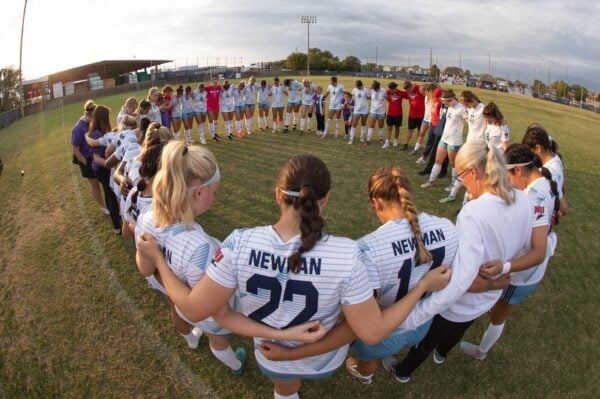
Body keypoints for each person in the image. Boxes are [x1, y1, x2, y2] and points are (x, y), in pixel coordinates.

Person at [137, 154, 451, 399]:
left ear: (277, 195)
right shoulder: (349, 254)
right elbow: (369, 332)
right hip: (325, 358)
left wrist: (159, 264)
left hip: (271, 355)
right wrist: (423, 284)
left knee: (284, 389)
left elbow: (199, 310)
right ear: (325, 199)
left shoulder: (238, 243)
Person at [258, 166, 458, 387]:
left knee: (367, 357)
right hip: (423, 322)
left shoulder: (366, 250)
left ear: (377, 203)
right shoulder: (448, 228)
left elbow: (361, 326)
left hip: (387, 333)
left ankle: (365, 374)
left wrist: (292, 354)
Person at [385, 140, 535, 383]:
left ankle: (404, 371)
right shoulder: (522, 198)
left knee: (428, 338)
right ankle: (441, 354)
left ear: (473, 172)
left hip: (460, 302)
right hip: (486, 298)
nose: (460, 181)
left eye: (459, 175)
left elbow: (460, 281)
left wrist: (413, 317)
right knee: (456, 332)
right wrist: (498, 278)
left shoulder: (474, 213)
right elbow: (525, 247)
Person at [136, 141, 247, 371]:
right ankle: (235, 365)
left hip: (180, 306)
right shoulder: (199, 248)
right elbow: (206, 306)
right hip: (204, 312)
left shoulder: (147, 219)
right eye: (213, 193)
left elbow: (145, 270)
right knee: (218, 340)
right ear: (198, 192)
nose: (214, 199)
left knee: (207, 331)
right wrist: (158, 259)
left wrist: (153, 258)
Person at [460, 144, 559, 360]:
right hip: (522, 268)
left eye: (506, 175)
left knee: (497, 316)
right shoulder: (546, 182)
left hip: (523, 275)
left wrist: (505, 266)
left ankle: (481, 351)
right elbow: (562, 208)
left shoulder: (533, 199)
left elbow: (538, 252)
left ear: (518, 171)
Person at [439, 91, 486, 203]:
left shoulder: (483, 109)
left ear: (472, 100)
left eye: (466, 103)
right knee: (463, 171)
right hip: (468, 143)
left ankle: (465, 201)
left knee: (471, 173)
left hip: (478, 147)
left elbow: (496, 121)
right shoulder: (469, 109)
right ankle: (453, 196)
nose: (465, 106)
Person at [421, 90, 466, 190]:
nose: (445, 105)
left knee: (453, 164)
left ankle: (453, 185)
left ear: (451, 99)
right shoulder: (449, 106)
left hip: (454, 141)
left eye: (446, 102)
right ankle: (430, 181)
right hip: (444, 139)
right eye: (443, 102)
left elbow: (469, 122)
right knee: (437, 161)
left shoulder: (461, 109)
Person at [88, 105, 122, 233]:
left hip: (104, 168)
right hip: (102, 169)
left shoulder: (101, 130)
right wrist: (112, 164)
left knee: (109, 194)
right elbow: (96, 158)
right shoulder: (97, 133)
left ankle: (116, 220)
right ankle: (117, 227)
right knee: (113, 196)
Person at [522, 124, 568, 218]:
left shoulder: (546, 174)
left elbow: (561, 209)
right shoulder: (556, 158)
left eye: (530, 151)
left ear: (538, 148)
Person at [71, 100, 108, 214]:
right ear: (87, 114)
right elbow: (75, 150)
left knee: (104, 181)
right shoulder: (79, 128)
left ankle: (109, 202)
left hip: (96, 156)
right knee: (95, 184)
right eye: (92, 117)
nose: (94, 120)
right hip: (86, 159)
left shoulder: (92, 122)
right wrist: (87, 164)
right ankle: (102, 206)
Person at [411, 84, 436, 155]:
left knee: (430, 137)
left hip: (432, 120)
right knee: (421, 134)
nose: (420, 92)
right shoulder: (425, 97)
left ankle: (430, 152)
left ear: (427, 90)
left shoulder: (434, 98)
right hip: (425, 119)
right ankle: (415, 149)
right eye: (420, 91)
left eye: (422, 91)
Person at [401, 81, 425, 151]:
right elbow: (401, 94)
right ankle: (405, 145)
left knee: (419, 131)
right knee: (410, 130)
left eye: (408, 90)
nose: (408, 92)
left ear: (411, 86)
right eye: (407, 90)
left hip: (421, 115)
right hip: (412, 115)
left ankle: (416, 146)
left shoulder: (420, 88)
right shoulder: (407, 91)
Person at [383, 82, 407, 148]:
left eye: (392, 89)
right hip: (390, 113)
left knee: (397, 128)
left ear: (395, 88)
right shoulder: (388, 92)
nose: (390, 91)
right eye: (390, 89)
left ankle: (395, 140)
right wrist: (387, 98)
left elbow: (408, 96)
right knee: (389, 128)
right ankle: (387, 142)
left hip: (398, 114)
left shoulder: (401, 93)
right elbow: (384, 95)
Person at [348, 80, 369, 145]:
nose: (358, 88)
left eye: (359, 87)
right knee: (354, 124)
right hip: (356, 109)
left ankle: (362, 138)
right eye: (357, 87)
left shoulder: (365, 90)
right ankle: (351, 139)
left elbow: (369, 97)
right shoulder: (354, 89)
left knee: (363, 124)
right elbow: (350, 96)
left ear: (361, 85)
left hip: (364, 110)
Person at [367, 80, 387, 146]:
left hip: (381, 112)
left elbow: (387, 98)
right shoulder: (371, 90)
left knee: (380, 126)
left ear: (378, 87)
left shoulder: (383, 91)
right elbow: (368, 97)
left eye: (376, 89)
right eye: (374, 89)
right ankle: (368, 140)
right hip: (373, 111)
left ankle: (381, 139)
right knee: (371, 125)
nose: (375, 90)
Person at [205, 77, 222, 142]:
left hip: (216, 106)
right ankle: (213, 136)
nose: (215, 84)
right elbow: (200, 89)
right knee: (211, 120)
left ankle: (215, 132)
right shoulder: (208, 88)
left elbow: (225, 87)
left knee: (215, 120)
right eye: (214, 83)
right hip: (210, 106)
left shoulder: (219, 87)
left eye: (216, 83)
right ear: (211, 83)